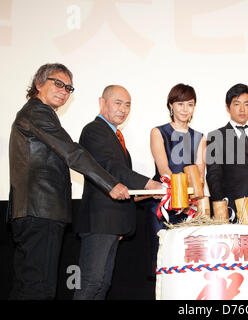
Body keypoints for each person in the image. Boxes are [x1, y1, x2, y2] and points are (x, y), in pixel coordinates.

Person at [7, 63, 129, 300]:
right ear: (39, 83)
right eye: (58, 83)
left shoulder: (38, 114)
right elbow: (72, 153)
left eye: (69, 88)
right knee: (38, 288)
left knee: (27, 285)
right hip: (40, 211)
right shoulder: (37, 112)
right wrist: (110, 184)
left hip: (33, 212)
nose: (64, 91)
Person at [72, 85, 162, 299]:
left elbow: (120, 180)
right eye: (118, 103)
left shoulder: (115, 136)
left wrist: (148, 192)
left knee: (102, 284)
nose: (123, 109)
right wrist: (150, 184)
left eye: (128, 104)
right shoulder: (94, 130)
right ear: (102, 102)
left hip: (112, 223)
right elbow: (112, 168)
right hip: (100, 222)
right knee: (90, 284)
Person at [145, 83, 206, 277]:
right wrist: (180, 194)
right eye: (180, 104)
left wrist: (191, 200)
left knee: (188, 260)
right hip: (164, 202)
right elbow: (164, 170)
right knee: (164, 257)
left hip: (190, 205)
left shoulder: (199, 137)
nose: (185, 109)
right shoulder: (158, 132)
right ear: (171, 105)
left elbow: (200, 175)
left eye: (190, 104)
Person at [206, 83, 248, 217]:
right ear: (227, 107)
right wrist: (222, 205)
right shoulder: (216, 136)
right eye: (237, 104)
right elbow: (214, 174)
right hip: (232, 209)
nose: (242, 109)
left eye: (247, 104)